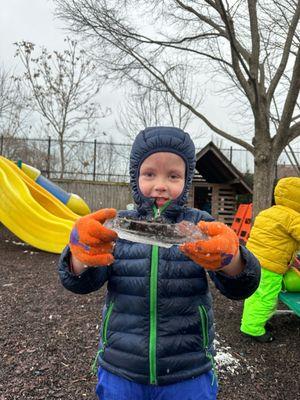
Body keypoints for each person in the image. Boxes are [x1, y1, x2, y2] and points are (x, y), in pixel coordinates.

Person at [58, 127, 260, 400]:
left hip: (189, 370)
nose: (161, 184)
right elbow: (80, 282)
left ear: (186, 180)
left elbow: (241, 287)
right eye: (149, 173)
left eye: (173, 175)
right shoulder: (118, 226)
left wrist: (232, 260)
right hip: (121, 367)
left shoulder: (201, 226)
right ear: (135, 177)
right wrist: (78, 255)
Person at [240, 177, 300, 343]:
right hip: (270, 266)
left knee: (255, 294)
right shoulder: (293, 218)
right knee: (267, 297)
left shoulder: (268, 212)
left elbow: (275, 240)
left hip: (252, 261)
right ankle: (253, 329)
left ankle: (254, 321)